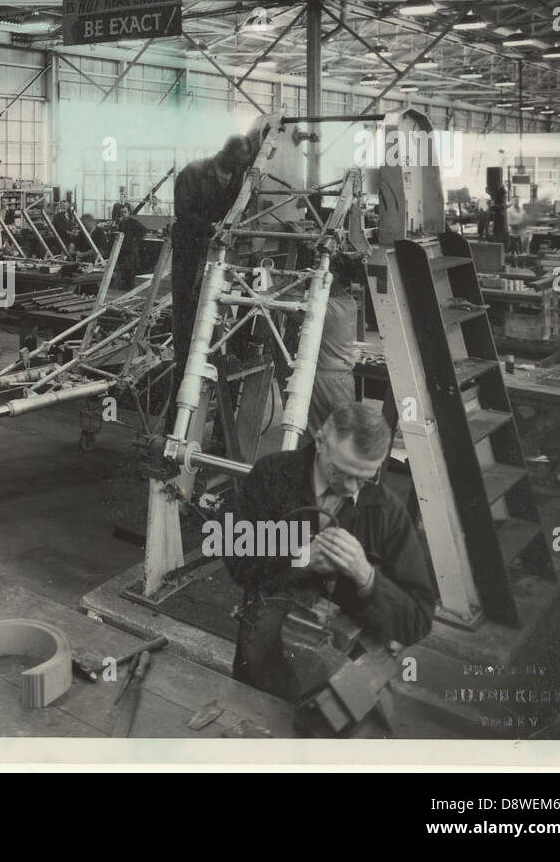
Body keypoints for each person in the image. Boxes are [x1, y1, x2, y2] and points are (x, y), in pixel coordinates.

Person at [225, 403, 435, 732]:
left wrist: (367, 577)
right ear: (320, 441)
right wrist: (298, 559)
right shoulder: (271, 475)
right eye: (342, 472)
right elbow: (237, 563)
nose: (352, 488)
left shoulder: (387, 512)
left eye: (364, 478)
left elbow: (417, 622)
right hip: (264, 662)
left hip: (343, 684)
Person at [170, 134, 257, 395]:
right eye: (238, 162)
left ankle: (219, 354)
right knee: (188, 309)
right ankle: (184, 364)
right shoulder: (193, 172)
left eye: (243, 164)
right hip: (191, 247)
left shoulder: (239, 174)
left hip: (221, 249)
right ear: (226, 154)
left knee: (218, 307)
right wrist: (209, 227)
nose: (240, 167)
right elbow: (182, 212)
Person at [306, 258, 360, 440]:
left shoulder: (326, 309)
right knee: (342, 439)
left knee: (319, 440)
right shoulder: (349, 302)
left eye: (318, 266)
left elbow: (278, 299)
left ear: (333, 276)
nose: (313, 269)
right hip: (343, 382)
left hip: (324, 382)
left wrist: (261, 263)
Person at [114, 204, 147, 289]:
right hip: (124, 249)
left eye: (125, 212)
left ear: (129, 212)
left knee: (131, 268)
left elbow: (143, 230)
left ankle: (130, 287)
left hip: (131, 249)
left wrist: (135, 240)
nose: (123, 214)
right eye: (121, 213)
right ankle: (125, 286)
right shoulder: (121, 223)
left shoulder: (133, 222)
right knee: (124, 268)